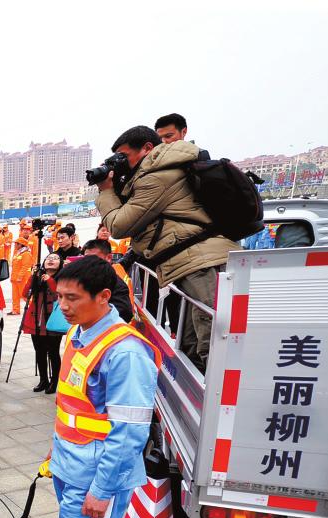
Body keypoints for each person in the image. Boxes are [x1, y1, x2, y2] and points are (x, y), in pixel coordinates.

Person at [15, 257, 160, 518]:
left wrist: (101, 490)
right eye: (60, 296)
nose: (62, 305)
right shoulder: (82, 335)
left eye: (72, 298)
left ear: (103, 297)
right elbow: (76, 409)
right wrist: (55, 448)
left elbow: (129, 433)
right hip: (73, 463)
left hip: (97, 477)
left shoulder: (125, 353)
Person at [95, 125, 239, 371]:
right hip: (189, 262)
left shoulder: (157, 176)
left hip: (200, 262)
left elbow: (119, 225)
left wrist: (105, 191)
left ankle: (220, 405)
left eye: (124, 157)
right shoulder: (157, 173)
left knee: (211, 345)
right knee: (190, 344)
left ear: (147, 149)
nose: (121, 164)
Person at [22, 253, 63, 393]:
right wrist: (33, 276)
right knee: (39, 351)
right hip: (36, 320)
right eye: (48, 258)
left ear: (61, 263)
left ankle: (54, 381)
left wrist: (50, 280)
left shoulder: (63, 278)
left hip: (53, 320)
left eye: (55, 258)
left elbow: (59, 295)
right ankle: (43, 380)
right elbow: (24, 293)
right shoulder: (38, 276)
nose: (51, 260)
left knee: (53, 352)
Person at [82, 240, 135, 323]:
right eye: (86, 258)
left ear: (109, 258)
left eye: (93, 258)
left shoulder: (117, 284)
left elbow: (125, 313)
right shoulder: (83, 277)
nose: (88, 262)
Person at [10, 234, 34, 316]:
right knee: (15, 296)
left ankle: (34, 308)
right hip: (14, 279)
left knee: (24, 295)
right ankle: (15, 310)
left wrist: (20, 277)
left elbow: (25, 266)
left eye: (17, 243)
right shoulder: (18, 253)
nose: (15, 245)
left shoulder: (26, 254)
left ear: (21, 245)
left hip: (22, 279)